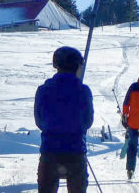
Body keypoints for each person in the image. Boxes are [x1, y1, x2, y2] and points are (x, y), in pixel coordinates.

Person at [34, 46, 94, 193]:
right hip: (76, 152)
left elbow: (39, 120)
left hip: (49, 152)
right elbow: (88, 121)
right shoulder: (83, 90)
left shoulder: (43, 90)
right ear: (76, 66)